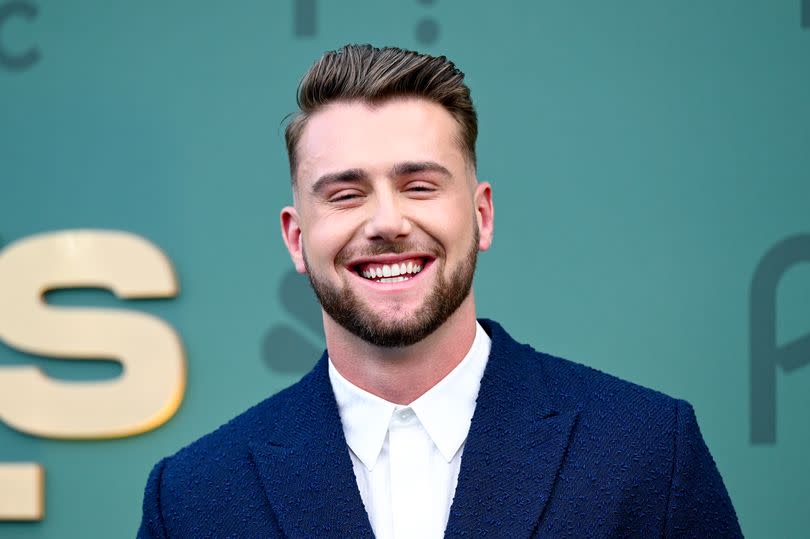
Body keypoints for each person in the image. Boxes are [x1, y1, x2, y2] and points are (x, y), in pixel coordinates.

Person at [138, 44, 742, 538]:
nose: (386, 221)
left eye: (420, 186)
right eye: (346, 195)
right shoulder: (192, 498)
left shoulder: (646, 451)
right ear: (296, 238)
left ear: (482, 215)